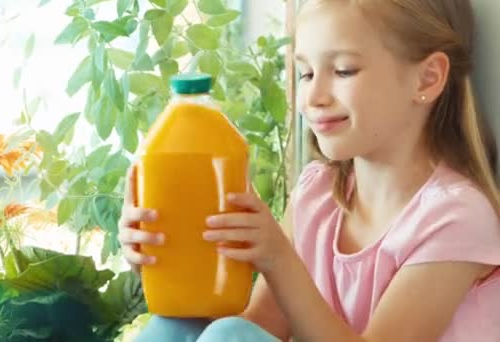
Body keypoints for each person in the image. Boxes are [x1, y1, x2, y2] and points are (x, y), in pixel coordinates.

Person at [118, 0, 500, 340]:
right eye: (305, 74)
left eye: (344, 70)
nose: (313, 98)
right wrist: (163, 260)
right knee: (178, 328)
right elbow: (260, 326)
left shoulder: (456, 218)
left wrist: (278, 259)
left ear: (427, 78)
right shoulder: (318, 192)